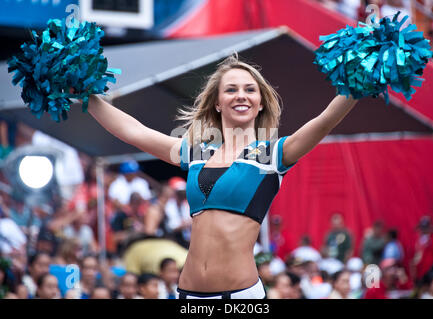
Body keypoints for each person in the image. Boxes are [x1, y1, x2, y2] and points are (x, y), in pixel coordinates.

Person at [76, 54, 359, 299]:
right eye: (231, 89)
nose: (241, 95)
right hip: (189, 295)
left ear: (260, 103)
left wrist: (360, 80)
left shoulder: (273, 155)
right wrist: (86, 97)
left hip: (240, 296)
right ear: (218, 103)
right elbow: (134, 132)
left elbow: (324, 122)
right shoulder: (196, 152)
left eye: (250, 89)